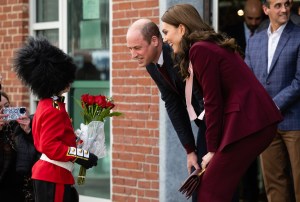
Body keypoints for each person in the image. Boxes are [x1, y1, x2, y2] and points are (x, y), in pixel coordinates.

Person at [161, 3, 282, 202]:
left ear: (182, 28)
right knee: (215, 188)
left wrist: (212, 150)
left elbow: (213, 103)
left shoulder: (200, 49)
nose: (165, 38)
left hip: (251, 124)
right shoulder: (204, 47)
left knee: (210, 190)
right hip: (253, 123)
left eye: (166, 32)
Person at [126, 19, 207, 202]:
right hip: (205, 122)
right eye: (130, 49)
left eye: (137, 48)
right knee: (200, 181)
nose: (133, 54)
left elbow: (203, 95)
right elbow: (172, 102)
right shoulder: (151, 65)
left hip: (218, 119)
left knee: (209, 182)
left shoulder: (178, 53)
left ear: (155, 41)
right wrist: (189, 149)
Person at [13, 36, 98, 202]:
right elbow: (50, 145)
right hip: (53, 175)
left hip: (52, 174)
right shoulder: (53, 109)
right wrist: (80, 155)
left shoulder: (48, 105)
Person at [245, 0, 300, 201]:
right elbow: (247, 83)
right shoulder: (254, 42)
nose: (284, 9)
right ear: (265, 9)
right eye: (278, 5)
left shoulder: (299, 36)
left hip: (295, 122)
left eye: (286, 4)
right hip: (266, 125)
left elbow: (299, 81)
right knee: (274, 185)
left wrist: (271, 106)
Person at [0, 91, 34, 201]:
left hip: (22, 191)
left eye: (6, 106)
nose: (3, 111)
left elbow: (38, 148)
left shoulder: (16, 127)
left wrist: (28, 130)